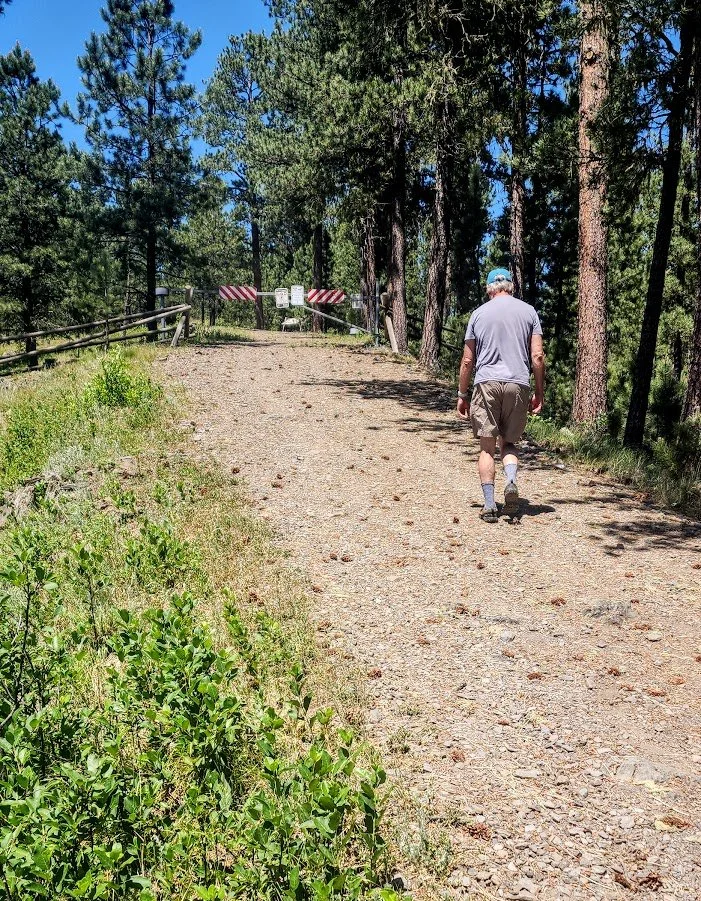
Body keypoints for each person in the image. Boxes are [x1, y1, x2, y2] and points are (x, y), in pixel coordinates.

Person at [456, 268, 545, 522]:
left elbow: (467, 360)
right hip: (518, 383)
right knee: (509, 443)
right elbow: (537, 357)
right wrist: (539, 392)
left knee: (487, 446)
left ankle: (488, 505)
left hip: (486, 384)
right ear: (511, 286)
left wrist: (463, 394)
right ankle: (512, 482)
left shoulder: (478, 314)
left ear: (489, 289)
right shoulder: (529, 312)